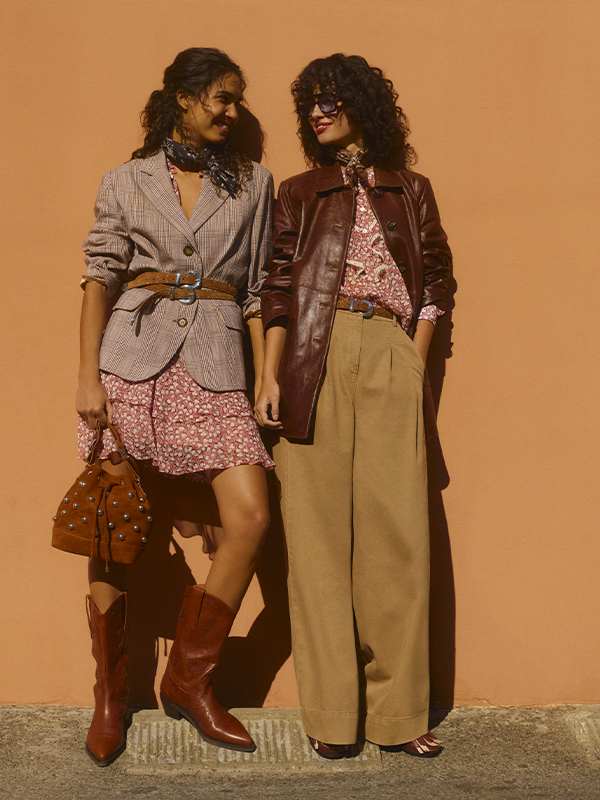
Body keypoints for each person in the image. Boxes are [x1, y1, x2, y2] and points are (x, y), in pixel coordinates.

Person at [76, 47, 274, 766]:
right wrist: (87, 377)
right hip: (131, 361)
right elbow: (99, 277)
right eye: (222, 97)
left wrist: (264, 377)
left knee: (250, 516)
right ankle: (110, 693)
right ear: (183, 100)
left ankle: (189, 680)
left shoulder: (254, 183)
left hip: (216, 364)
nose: (232, 111)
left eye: (236, 99)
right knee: (112, 528)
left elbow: (257, 289)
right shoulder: (125, 181)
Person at [255, 53, 451, 759]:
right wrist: (269, 375)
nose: (317, 112)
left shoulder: (411, 189)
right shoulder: (299, 191)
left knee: (397, 539)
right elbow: (278, 286)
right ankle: (334, 718)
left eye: (329, 99)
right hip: (313, 354)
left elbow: (437, 285)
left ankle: (399, 715)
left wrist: (413, 363)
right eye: (309, 102)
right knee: (314, 542)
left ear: (361, 104)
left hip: (390, 349)